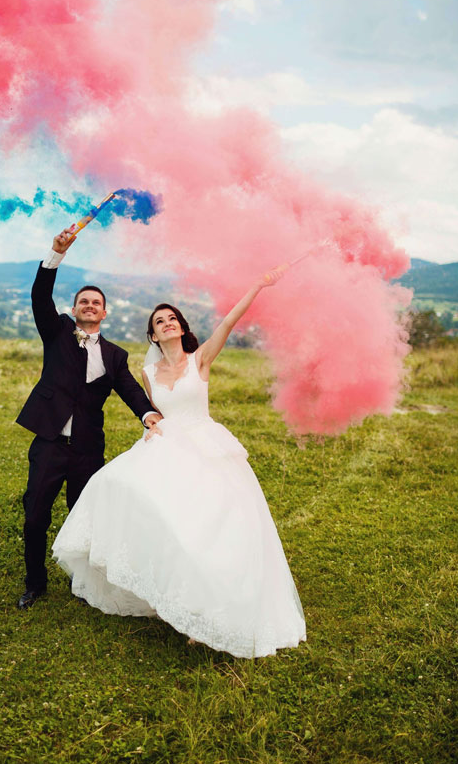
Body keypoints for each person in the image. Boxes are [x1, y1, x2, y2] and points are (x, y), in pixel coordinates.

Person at [52, 266, 306, 657]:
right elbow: (152, 411)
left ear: (181, 328)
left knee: (209, 526)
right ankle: (166, 589)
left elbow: (229, 321)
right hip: (167, 446)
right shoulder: (148, 372)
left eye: (172, 319)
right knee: (120, 488)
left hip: (205, 446)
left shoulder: (201, 359)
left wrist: (257, 285)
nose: (167, 323)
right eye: (160, 321)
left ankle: (210, 607)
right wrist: (150, 426)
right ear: (153, 335)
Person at [15, 227, 162, 609]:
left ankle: (82, 582)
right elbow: (39, 296)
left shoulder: (115, 355)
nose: (90, 305)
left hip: (87, 450)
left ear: (105, 312)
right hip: (50, 442)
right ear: (75, 308)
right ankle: (35, 583)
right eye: (84, 301)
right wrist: (55, 254)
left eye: (96, 302)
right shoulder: (58, 332)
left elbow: (130, 389)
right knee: (35, 517)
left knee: (83, 518)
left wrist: (148, 413)